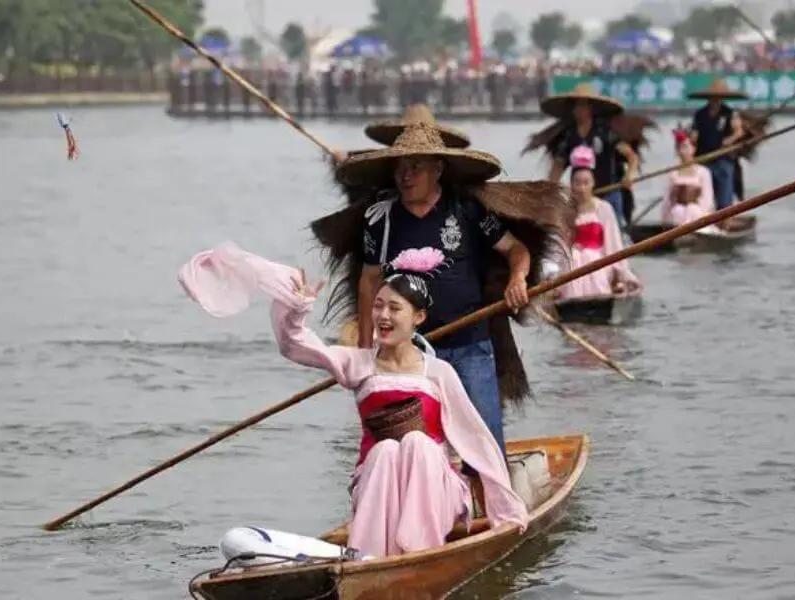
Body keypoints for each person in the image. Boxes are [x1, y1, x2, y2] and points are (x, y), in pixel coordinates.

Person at [178, 242, 529, 558]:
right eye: (378, 306)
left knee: (419, 445)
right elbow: (295, 343)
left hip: (437, 492)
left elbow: (477, 442)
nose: (384, 316)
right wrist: (297, 307)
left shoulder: (438, 374)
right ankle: (372, 556)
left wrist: (506, 510)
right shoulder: (358, 364)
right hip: (377, 485)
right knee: (386, 451)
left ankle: (420, 550)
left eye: (395, 308)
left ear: (418, 318)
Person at [311, 114, 575, 461]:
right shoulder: (382, 219)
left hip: (470, 347)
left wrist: (517, 278)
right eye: (401, 167)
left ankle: (498, 504)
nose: (406, 175)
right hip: (411, 354)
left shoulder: (468, 210)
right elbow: (369, 282)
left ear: (437, 170)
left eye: (416, 167)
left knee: (484, 441)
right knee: (414, 446)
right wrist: (364, 351)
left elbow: (516, 250)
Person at [523, 83, 651, 229]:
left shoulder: (605, 133)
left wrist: (629, 175)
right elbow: (557, 166)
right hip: (582, 196)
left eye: (582, 105)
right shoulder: (569, 137)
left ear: (590, 108)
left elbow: (632, 157)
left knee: (616, 232)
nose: (578, 110)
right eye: (576, 106)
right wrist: (550, 191)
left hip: (609, 193)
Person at [554, 145, 641, 301]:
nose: (581, 188)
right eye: (577, 183)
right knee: (574, 258)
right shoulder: (565, 212)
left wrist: (619, 274)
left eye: (586, 183)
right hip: (572, 266)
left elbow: (614, 244)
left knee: (589, 258)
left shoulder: (603, 208)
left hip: (599, 264)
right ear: (571, 185)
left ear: (593, 183)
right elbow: (559, 248)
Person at [687, 79, 747, 212]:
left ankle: (725, 218)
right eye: (713, 97)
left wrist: (729, 140)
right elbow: (694, 133)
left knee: (724, 198)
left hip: (722, 159)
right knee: (702, 196)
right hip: (703, 158)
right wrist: (691, 141)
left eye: (718, 97)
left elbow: (739, 132)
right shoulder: (700, 114)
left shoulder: (730, 113)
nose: (716, 100)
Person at [660, 128, 721, 232]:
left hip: (697, 214)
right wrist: (664, 220)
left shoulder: (703, 172)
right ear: (677, 151)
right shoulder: (673, 174)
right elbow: (667, 201)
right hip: (677, 214)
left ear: (693, 149)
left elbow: (707, 199)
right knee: (677, 211)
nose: (683, 151)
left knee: (693, 211)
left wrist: (697, 212)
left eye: (686, 147)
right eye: (680, 148)